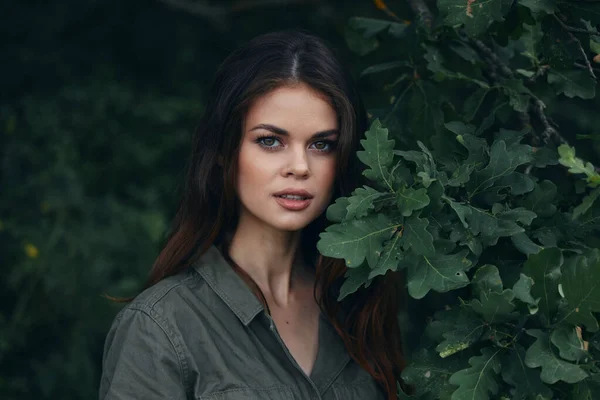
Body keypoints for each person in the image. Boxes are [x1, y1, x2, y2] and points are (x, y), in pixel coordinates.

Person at [99, 29, 409, 400]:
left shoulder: (360, 306)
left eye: (321, 144)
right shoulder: (160, 327)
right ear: (224, 152)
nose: (299, 166)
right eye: (270, 141)